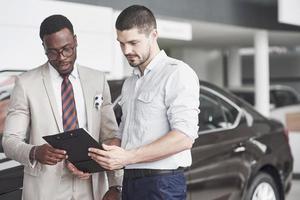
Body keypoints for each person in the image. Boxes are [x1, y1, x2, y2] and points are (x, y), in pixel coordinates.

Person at [2, 14, 122, 200]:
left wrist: (115, 185)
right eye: (53, 52)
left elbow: (110, 137)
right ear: (44, 48)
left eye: (67, 49)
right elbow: (10, 141)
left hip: (90, 187)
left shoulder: (97, 80)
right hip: (44, 190)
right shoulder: (26, 84)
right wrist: (34, 152)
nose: (61, 58)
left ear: (75, 41)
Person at [88, 5, 200, 200]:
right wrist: (93, 158)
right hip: (130, 182)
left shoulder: (177, 73)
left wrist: (127, 157)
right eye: (121, 43)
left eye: (133, 42)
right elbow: (124, 138)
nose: (126, 50)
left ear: (153, 35)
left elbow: (184, 137)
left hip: (162, 185)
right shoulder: (130, 83)